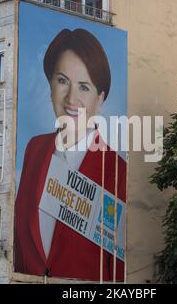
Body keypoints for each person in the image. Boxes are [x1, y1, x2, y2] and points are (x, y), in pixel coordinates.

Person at [14, 28, 126, 281]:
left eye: (84, 87)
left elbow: (118, 270)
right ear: (50, 84)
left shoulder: (117, 171)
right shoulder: (35, 150)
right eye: (62, 80)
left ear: (101, 98)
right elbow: (20, 243)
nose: (71, 98)